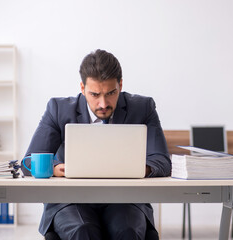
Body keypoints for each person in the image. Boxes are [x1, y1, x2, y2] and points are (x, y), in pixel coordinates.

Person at [21, 49, 171, 240]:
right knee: (83, 231)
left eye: (111, 93)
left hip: (125, 198)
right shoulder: (58, 109)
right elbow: (28, 162)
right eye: (94, 94)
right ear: (82, 88)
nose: (103, 103)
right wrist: (56, 168)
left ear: (121, 85)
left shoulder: (143, 108)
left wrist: (137, 168)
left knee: (127, 231)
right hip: (70, 200)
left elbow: (162, 162)